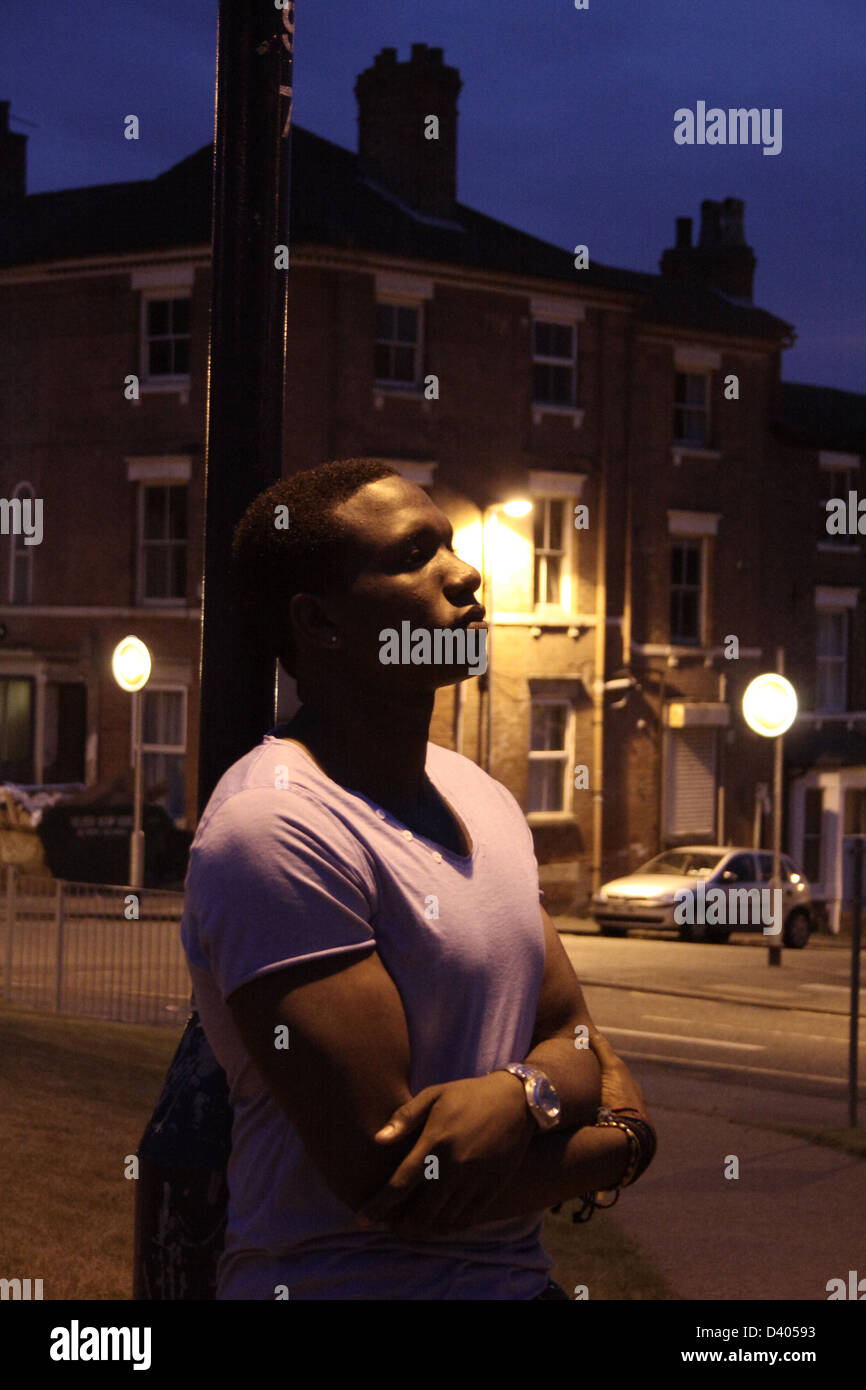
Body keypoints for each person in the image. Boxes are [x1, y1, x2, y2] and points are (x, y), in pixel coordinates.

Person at [180, 457, 656, 1300]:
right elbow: (398, 1186)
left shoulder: (485, 800)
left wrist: (520, 1095)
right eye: (412, 556)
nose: (467, 573)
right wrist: (622, 1143)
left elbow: (576, 1039)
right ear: (319, 622)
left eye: (451, 545)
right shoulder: (278, 825)